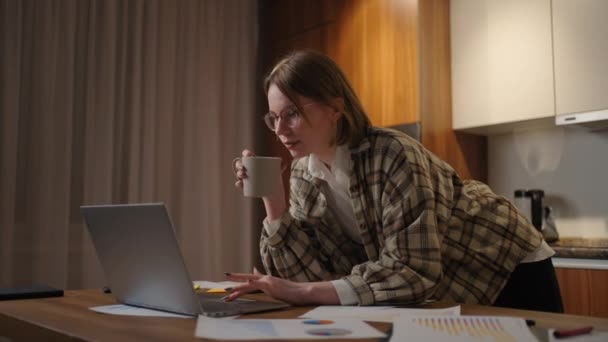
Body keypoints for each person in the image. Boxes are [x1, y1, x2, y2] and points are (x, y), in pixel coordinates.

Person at [228, 50, 563, 312]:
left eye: (292, 113)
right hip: (437, 284)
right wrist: (273, 199)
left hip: (502, 261)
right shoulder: (303, 174)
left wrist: (303, 291)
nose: (280, 129)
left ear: (334, 108)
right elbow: (307, 276)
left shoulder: (391, 154)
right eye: (274, 117)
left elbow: (411, 270)